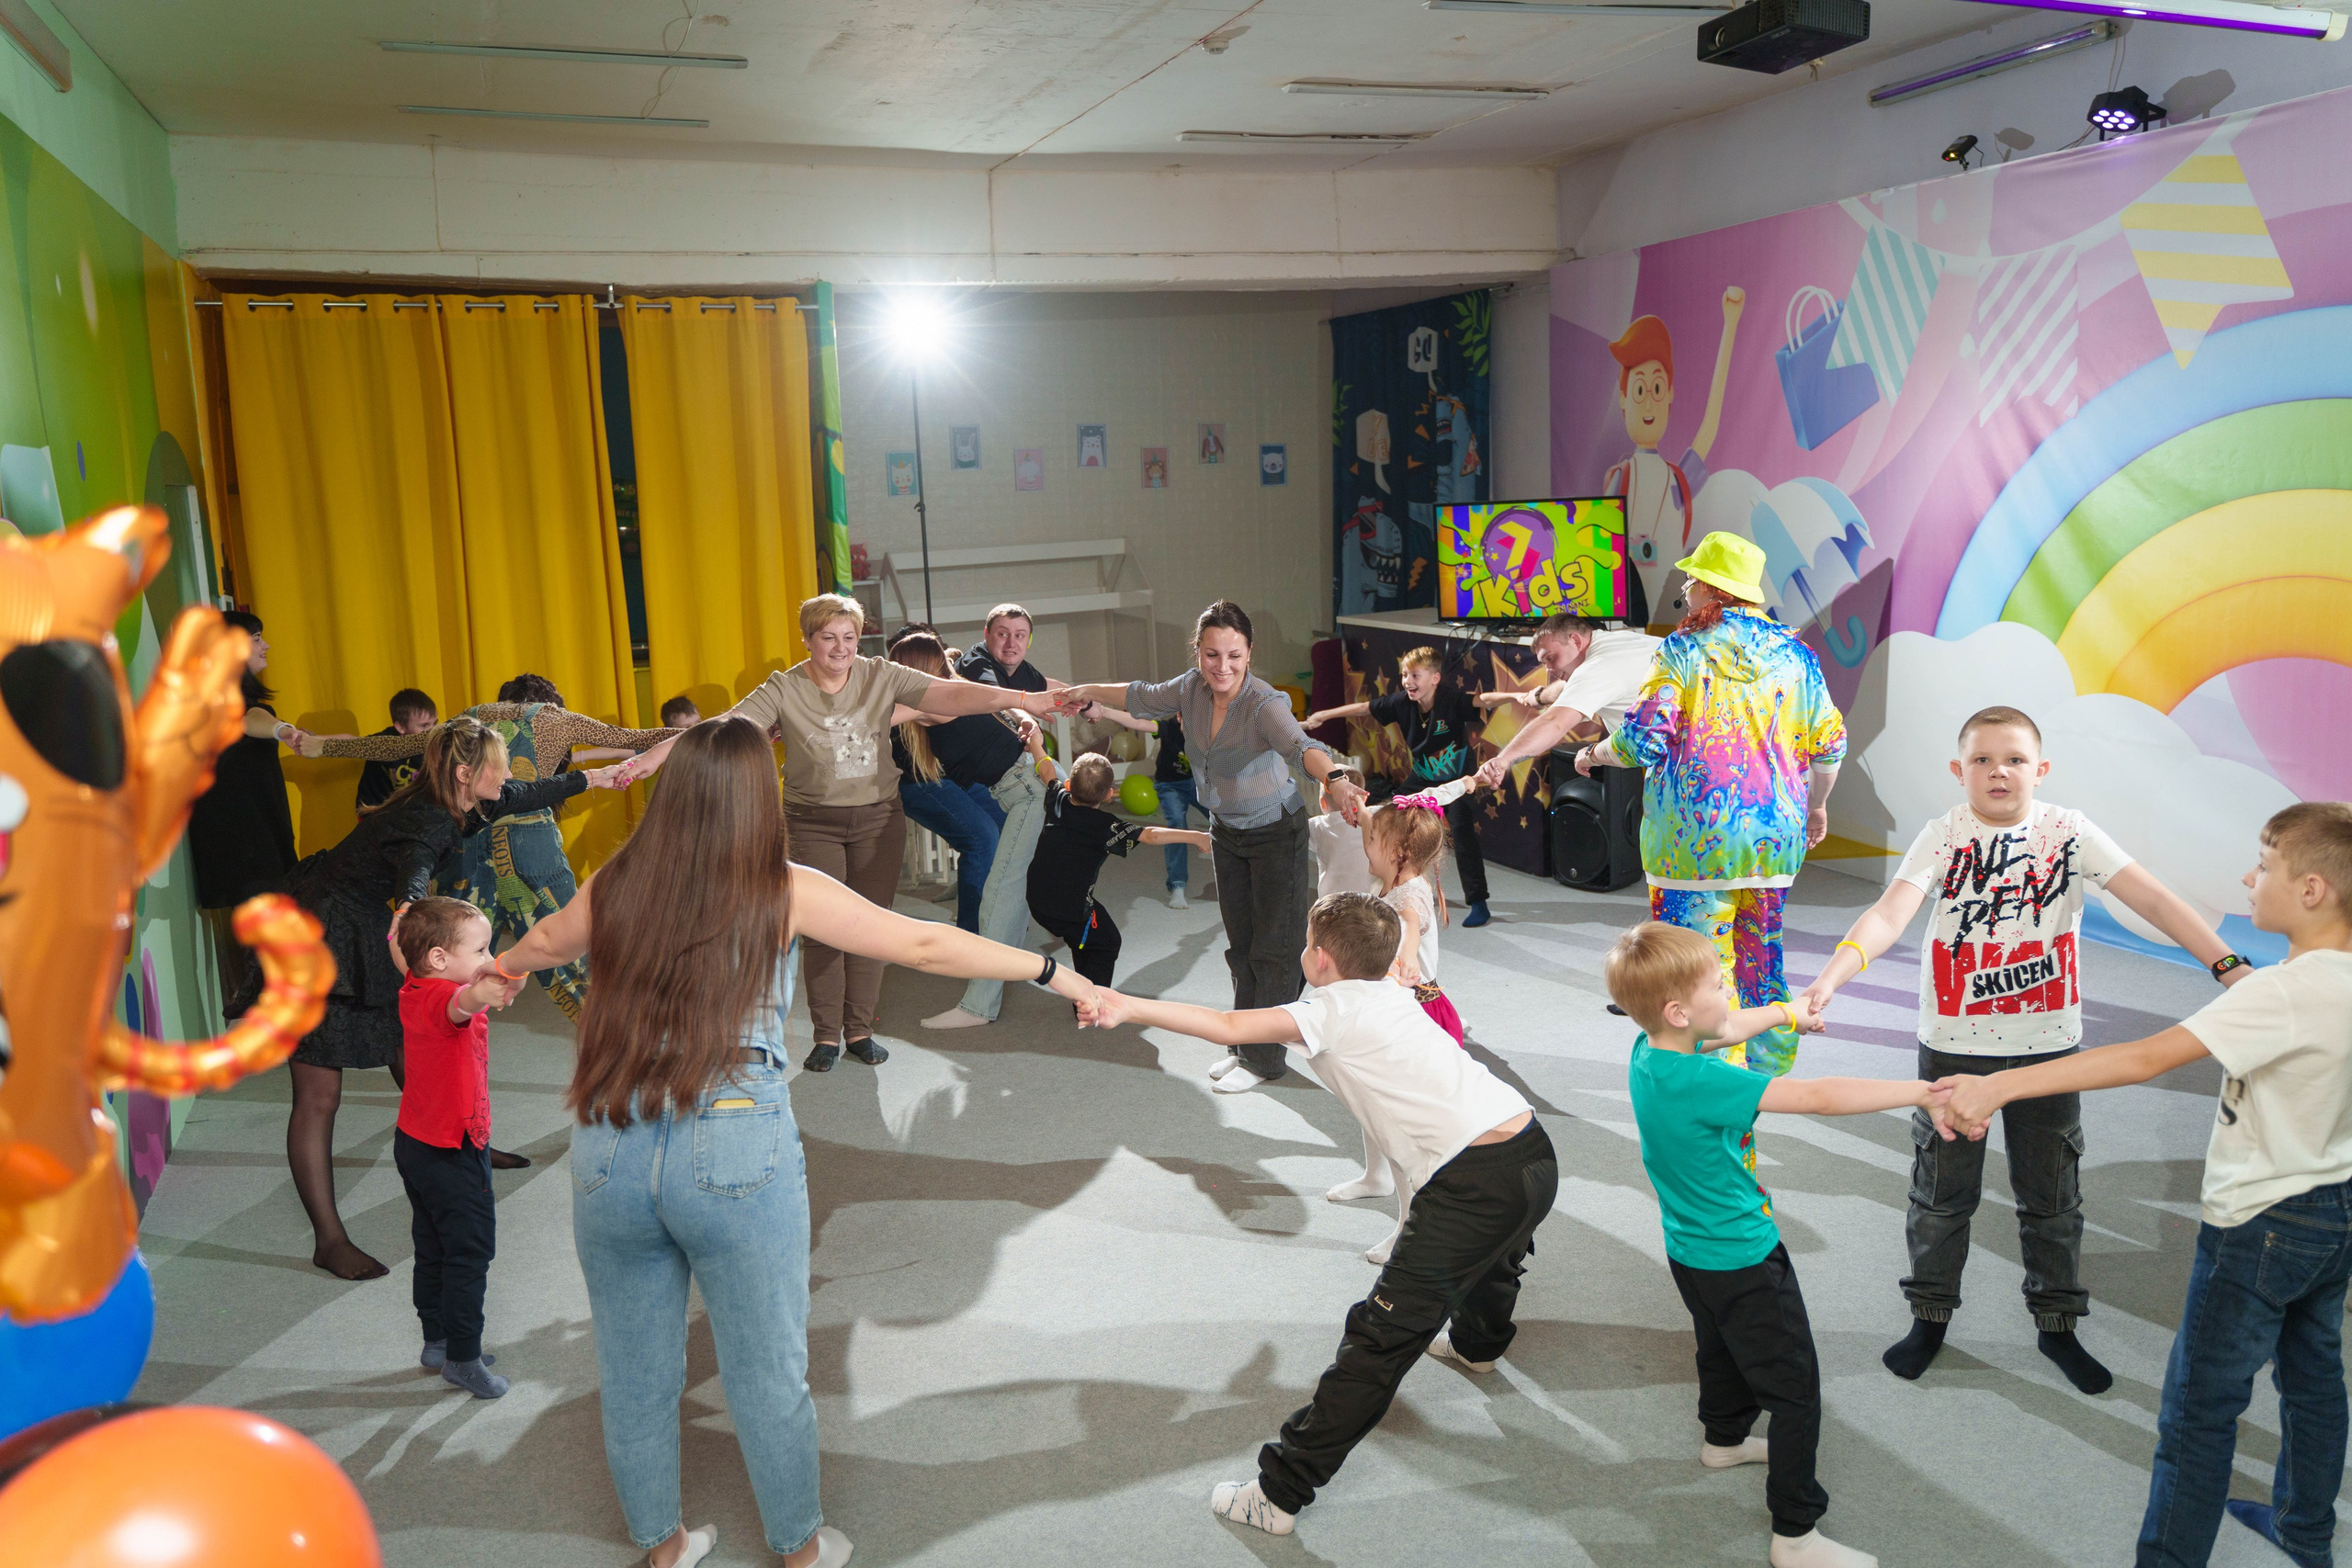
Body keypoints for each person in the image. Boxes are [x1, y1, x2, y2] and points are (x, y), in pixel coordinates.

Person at [494, 716, 1103, 1568]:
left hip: (611, 1138)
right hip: (733, 1143)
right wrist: (1049, 969)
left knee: (634, 1373)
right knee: (766, 1370)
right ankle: (801, 1549)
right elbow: (923, 941)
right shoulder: (780, 885)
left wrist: (495, 972)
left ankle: (663, 1547)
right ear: (757, 798)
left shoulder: (622, 878)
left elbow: (546, 942)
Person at [1938, 803, 2352, 1568]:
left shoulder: (2285, 994)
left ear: (2314, 889)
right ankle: (2305, 1531)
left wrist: (2000, 1088)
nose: (2247, 876)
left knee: (2199, 1411)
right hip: (2335, 1213)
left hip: (2257, 1224)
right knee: (2315, 1378)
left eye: (2263, 864)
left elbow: (2141, 1059)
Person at [1802, 705, 2250, 1393]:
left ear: (2040, 769)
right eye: (1982, 759)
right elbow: (1891, 910)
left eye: (2013, 758)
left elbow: (2153, 899)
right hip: (1953, 1046)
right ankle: (1930, 1315)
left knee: (2053, 1195)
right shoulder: (1944, 833)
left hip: (2048, 1048)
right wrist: (1833, 975)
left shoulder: (2069, 833)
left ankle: (2057, 1325)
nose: (1998, 771)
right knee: (1941, 1194)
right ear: (1960, 772)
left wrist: (2227, 966)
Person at [1090, 893, 1551, 1541]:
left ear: (1322, 960)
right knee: (1499, 1252)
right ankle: (1480, 1344)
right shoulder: (1393, 983)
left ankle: (1278, 1491)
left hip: (1470, 1181)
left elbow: (1226, 1023)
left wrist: (1127, 1004)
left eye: (1307, 942)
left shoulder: (1327, 1008)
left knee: (1378, 1340)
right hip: (1531, 1148)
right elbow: (1402, 931)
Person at [1609, 920, 1936, 1568]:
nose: (1727, 984)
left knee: (1721, 1346)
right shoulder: (1707, 1084)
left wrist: (1788, 1011)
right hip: (1744, 1255)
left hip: (1689, 1251)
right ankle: (1796, 1533)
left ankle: (1723, 1439)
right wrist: (1923, 1092)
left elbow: (1725, 1029)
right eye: (1716, 981)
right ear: (1678, 1009)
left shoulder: (1650, 1053)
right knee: (1796, 1390)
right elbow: (1817, 1095)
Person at [619, 594, 1063, 1071]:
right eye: (828, 638)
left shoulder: (879, 674)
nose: (840, 648)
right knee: (825, 932)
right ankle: (827, 1036)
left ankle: (860, 1030)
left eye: (849, 637)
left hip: (878, 820)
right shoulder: (784, 687)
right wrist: (650, 758)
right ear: (808, 640)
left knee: (872, 928)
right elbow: (725, 725)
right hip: (813, 823)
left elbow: (952, 694)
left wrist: (1023, 700)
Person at [251, 716, 624, 1280]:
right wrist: (411, 919)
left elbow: (524, 791)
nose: (506, 780)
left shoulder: (467, 797)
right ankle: (329, 1239)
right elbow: (415, 880)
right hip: (318, 934)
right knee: (319, 1093)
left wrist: (598, 779)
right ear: (464, 773)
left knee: (411, 1049)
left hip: (360, 920)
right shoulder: (426, 822)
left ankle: (470, 1142)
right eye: (497, 771)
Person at [1057, 601, 1371, 1095]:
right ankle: (1244, 1044)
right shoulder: (1191, 689)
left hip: (1274, 834)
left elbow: (1299, 746)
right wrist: (1085, 691)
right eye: (1211, 655)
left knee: (1275, 950)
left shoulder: (1264, 704)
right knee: (1241, 946)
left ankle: (1265, 1059)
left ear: (1249, 654)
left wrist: (1335, 778)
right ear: (1198, 653)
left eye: (1234, 656)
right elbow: (1139, 697)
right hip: (1227, 832)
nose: (1222, 667)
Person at [1579, 532, 1845, 1078]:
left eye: (1689, 581)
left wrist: (1593, 754)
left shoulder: (1682, 650)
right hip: (1775, 844)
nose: (1684, 590)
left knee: (1698, 975)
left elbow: (1642, 740)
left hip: (1692, 848)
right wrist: (1816, 808)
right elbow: (1830, 746)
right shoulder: (1798, 655)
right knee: (1761, 959)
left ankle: (1715, 1082)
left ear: (1707, 588)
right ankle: (1766, 1074)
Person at [308, 678, 684, 1038]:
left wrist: (320, 746)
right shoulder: (555, 719)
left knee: (448, 961)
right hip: (530, 849)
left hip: (464, 857)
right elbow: (638, 740)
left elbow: (393, 748)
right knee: (569, 956)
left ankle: (437, 1045)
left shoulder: (470, 722)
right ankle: (627, 1042)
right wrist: (707, 732)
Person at [391, 896, 527, 1399]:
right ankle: (463, 1358)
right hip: (452, 1150)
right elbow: (462, 1005)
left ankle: (437, 1338)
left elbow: (400, 948)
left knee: (431, 1245)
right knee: (470, 1251)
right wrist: (496, 982)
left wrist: (401, 922)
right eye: (481, 949)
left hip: (416, 1142)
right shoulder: (440, 1000)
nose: (490, 959)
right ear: (439, 960)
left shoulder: (415, 984)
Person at [1306, 646, 1491, 927]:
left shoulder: (1451, 700)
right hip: (1421, 779)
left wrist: (1526, 696)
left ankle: (1478, 902)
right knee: (1388, 816)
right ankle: (1390, 880)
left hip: (1455, 781)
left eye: (1415, 675)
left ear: (1435, 678)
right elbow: (1363, 708)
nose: (1407, 681)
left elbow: (1484, 699)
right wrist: (1324, 715)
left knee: (1463, 835)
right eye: (1405, 675)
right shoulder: (1402, 703)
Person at [185, 609, 309, 1005]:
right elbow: (247, 719)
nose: (265, 644)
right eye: (256, 637)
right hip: (244, 843)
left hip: (255, 838)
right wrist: (281, 729)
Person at [1601, 295, 1744, 632]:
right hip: (1622, 627)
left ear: (1670, 394)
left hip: (1667, 624)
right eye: (1639, 390)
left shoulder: (1677, 481)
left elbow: (1710, 424)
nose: (1649, 402)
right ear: (1623, 398)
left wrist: (1731, 324)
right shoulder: (1621, 479)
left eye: (1657, 387)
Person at [1026, 752, 1211, 985]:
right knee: (1107, 941)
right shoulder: (1106, 826)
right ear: (1108, 795)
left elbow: (1046, 769)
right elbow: (1151, 835)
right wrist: (1197, 837)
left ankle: (1083, 985)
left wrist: (1033, 738)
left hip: (1037, 900)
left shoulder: (1057, 799)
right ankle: (1092, 1001)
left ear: (1069, 785)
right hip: (1070, 909)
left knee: (1085, 939)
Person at [889, 631, 1018, 934]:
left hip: (954, 776)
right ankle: (973, 935)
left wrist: (1025, 712)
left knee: (1008, 828)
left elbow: (996, 693)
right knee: (982, 838)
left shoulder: (951, 678)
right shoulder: (914, 702)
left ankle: (997, 916)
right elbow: (866, 718)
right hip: (918, 784)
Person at [1472, 612, 1663, 791]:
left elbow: (1554, 723)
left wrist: (1503, 760)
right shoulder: (1622, 641)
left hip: (1682, 769)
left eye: (1550, 658)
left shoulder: (1596, 669)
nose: (1548, 669)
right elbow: (1569, 685)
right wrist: (1540, 697)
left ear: (1575, 640)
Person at [1363, 796, 1462, 1047]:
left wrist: (1407, 953)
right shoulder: (1390, 879)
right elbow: (1369, 830)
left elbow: (1409, 924)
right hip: (1394, 998)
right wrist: (1361, 813)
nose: (1366, 844)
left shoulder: (1409, 894)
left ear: (1396, 852)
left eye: (1372, 839)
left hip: (1418, 1012)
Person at [1155, 714, 1208, 908]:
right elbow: (1139, 723)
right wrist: (1105, 712)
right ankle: (1177, 886)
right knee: (1177, 823)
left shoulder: (1211, 725)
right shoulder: (1168, 727)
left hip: (1199, 782)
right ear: (1180, 717)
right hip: (1170, 785)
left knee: (1226, 819)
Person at [356, 688, 436, 810]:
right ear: (401, 727)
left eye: (435, 723)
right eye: (424, 726)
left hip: (408, 811)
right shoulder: (384, 743)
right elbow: (351, 742)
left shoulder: (436, 743)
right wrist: (320, 742)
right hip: (374, 810)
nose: (432, 731)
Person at [1308, 764, 1375, 900]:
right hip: (1371, 900)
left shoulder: (1318, 825)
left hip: (1334, 904)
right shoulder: (1376, 815)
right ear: (1363, 799)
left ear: (1323, 803)